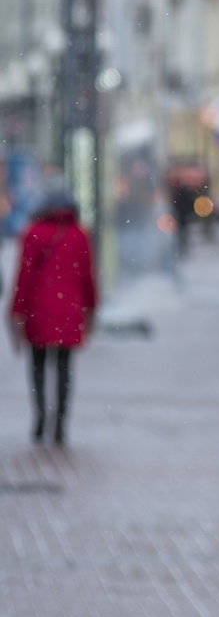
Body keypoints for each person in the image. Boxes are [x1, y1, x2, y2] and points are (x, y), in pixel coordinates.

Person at [9, 187, 98, 444]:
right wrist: (91, 308)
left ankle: (39, 419)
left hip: (38, 311)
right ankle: (60, 423)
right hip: (69, 312)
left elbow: (23, 278)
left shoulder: (32, 234)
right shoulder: (80, 235)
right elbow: (87, 278)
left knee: (37, 366)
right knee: (64, 368)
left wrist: (18, 310)